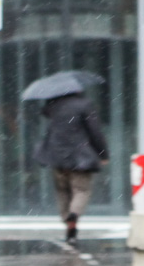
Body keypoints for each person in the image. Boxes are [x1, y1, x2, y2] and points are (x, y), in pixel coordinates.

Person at [33, 90, 109, 247]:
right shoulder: (84, 105)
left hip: (57, 157)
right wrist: (103, 153)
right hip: (80, 157)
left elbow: (46, 116)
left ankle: (67, 221)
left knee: (62, 191)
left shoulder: (53, 106)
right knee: (81, 190)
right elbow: (95, 132)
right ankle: (74, 216)